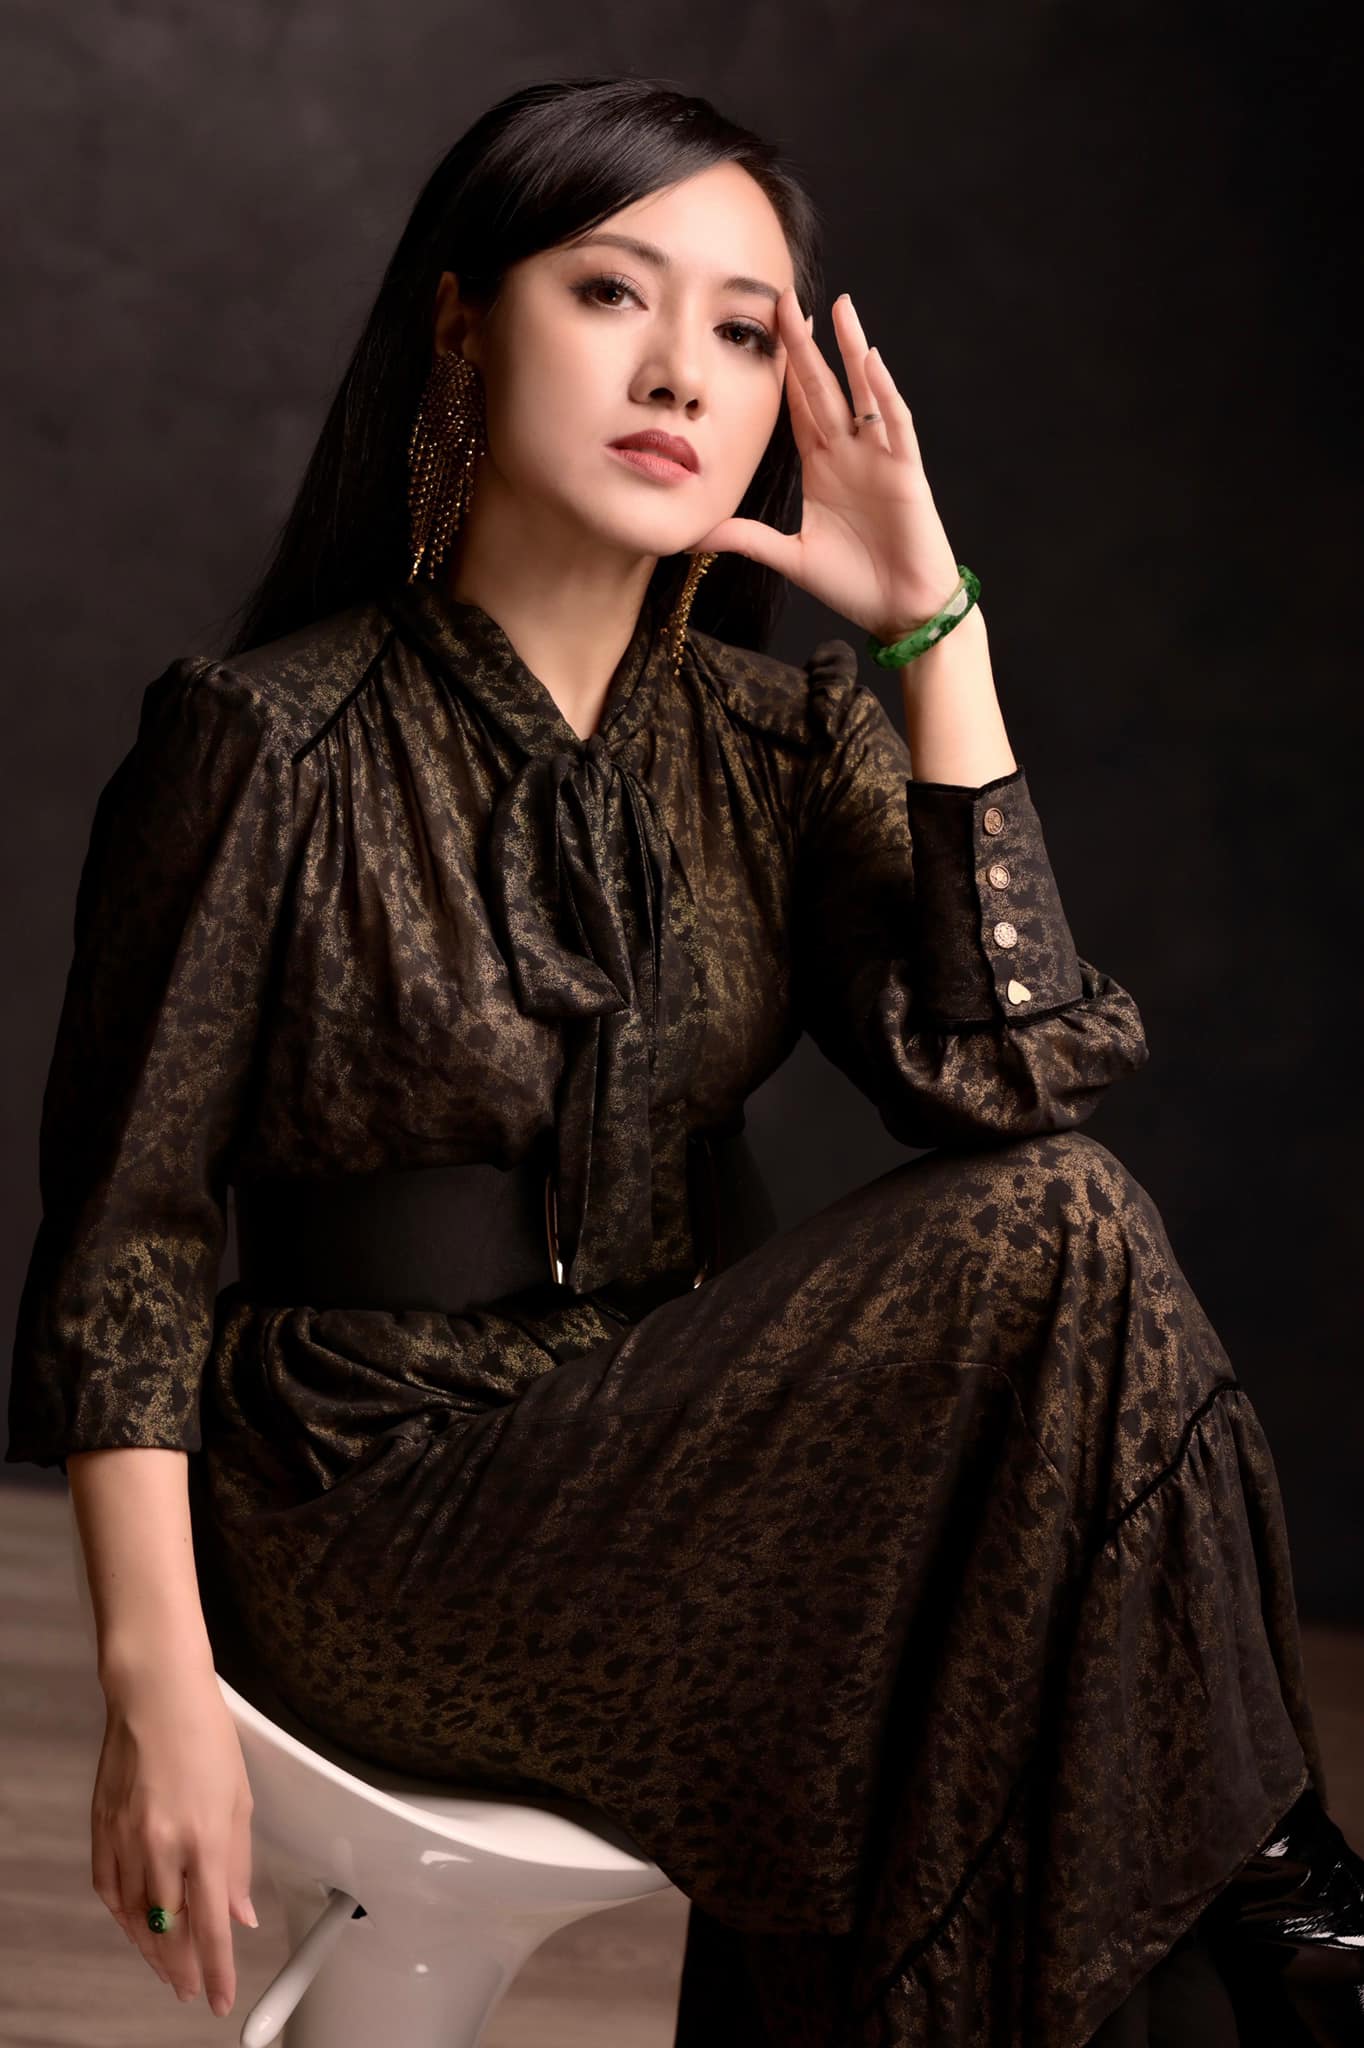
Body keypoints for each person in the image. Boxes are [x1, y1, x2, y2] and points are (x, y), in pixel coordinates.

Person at [7, 73, 1363, 2048]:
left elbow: (1006, 1082)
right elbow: (124, 1252)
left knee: (1038, 1327)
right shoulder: (267, 740)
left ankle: (1267, 1918)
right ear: (462, 326)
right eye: (609, 294)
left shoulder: (777, 745)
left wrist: (935, 633)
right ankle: (1289, 1906)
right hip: (370, 1523)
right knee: (1051, 1247)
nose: (678, 372)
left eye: (740, 333)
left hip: (677, 1485)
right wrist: (151, 1696)